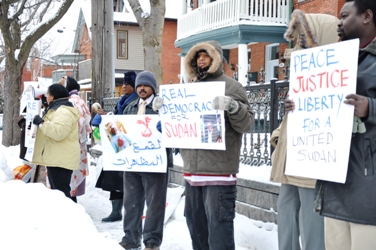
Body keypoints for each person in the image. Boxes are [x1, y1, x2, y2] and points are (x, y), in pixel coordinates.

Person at [269, 10, 339, 250]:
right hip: (291, 158)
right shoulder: (304, 75)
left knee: (312, 225)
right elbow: (294, 118)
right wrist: (278, 135)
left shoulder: (337, 77)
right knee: (286, 216)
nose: (298, 42)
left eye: (302, 37)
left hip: (314, 161)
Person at [312, 1, 376, 249]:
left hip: (368, 190)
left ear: (367, 16)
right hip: (336, 186)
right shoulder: (334, 62)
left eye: (344, 15)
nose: (339, 21)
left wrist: (371, 107)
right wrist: (300, 108)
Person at [182, 40, 254, 249]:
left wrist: (233, 106)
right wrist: (164, 113)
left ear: (217, 58)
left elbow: (247, 123)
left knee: (219, 229)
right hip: (192, 172)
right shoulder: (189, 89)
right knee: (196, 226)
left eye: (206, 55)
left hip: (219, 173)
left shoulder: (232, 87)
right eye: (198, 56)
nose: (201, 59)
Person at [119, 70, 173, 250]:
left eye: (146, 85)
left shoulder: (163, 106)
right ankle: (130, 238)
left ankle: (152, 241)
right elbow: (120, 135)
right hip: (132, 162)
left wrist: (165, 122)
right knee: (131, 202)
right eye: (139, 86)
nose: (142, 89)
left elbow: (176, 129)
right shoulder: (130, 107)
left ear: (153, 87)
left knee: (155, 204)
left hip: (155, 163)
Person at [95, 71, 139, 223]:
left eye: (127, 84)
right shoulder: (123, 100)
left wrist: (111, 118)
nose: (124, 86)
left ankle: (121, 212)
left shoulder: (136, 102)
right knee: (114, 180)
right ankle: (116, 211)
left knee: (122, 182)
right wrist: (106, 115)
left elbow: (129, 122)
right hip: (118, 145)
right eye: (124, 83)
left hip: (128, 146)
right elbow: (117, 117)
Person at [31, 84, 80, 201]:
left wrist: (41, 123)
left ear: (52, 97)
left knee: (62, 193)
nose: (46, 97)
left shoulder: (63, 111)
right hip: (58, 157)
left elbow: (59, 132)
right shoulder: (57, 109)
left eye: (47, 94)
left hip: (61, 159)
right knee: (60, 191)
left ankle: (72, 216)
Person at [59, 76, 92, 201]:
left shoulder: (72, 101)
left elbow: (76, 123)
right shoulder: (77, 99)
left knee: (70, 179)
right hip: (77, 144)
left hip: (73, 144)